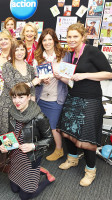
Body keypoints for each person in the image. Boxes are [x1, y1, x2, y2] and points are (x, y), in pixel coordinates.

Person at [58, 23, 112, 187]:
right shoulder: (71, 54)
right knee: (67, 130)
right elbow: (70, 78)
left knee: (88, 137)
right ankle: (72, 159)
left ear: (83, 37)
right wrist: (58, 75)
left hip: (90, 100)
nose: (72, 39)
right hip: (73, 97)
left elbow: (108, 73)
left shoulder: (92, 51)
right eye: (69, 36)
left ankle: (90, 171)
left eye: (75, 36)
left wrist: (84, 75)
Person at [0, 83, 54, 200]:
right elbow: (11, 133)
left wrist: (33, 145)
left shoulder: (39, 117)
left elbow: (50, 139)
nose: (16, 101)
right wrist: (6, 146)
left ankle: (47, 179)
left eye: (21, 97)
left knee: (24, 196)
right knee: (14, 189)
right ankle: (38, 171)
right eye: (14, 97)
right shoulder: (12, 112)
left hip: (31, 157)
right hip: (15, 154)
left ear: (29, 96)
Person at [33, 28, 70, 161]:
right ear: (41, 42)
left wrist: (60, 76)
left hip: (56, 97)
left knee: (53, 126)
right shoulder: (38, 56)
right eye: (44, 40)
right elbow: (36, 76)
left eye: (50, 39)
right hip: (41, 97)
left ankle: (59, 149)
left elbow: (69, 77)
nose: (47, 42)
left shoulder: (63, 55)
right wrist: (41, 79)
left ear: (54, 40)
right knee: (42, 124)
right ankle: (44, 145)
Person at [0, 40, 40, 135]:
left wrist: (32, 106)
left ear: (25, 51)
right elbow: (13, 87)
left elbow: (32, 90)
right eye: (17, 50)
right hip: (8, 105)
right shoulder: (7, 66)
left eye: (22, 49)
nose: (20, 52)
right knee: (7, 133)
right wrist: (31, 83)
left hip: (24, 106)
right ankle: (5, 150)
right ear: (12, 51)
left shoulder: (30, 68)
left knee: (22, 134)